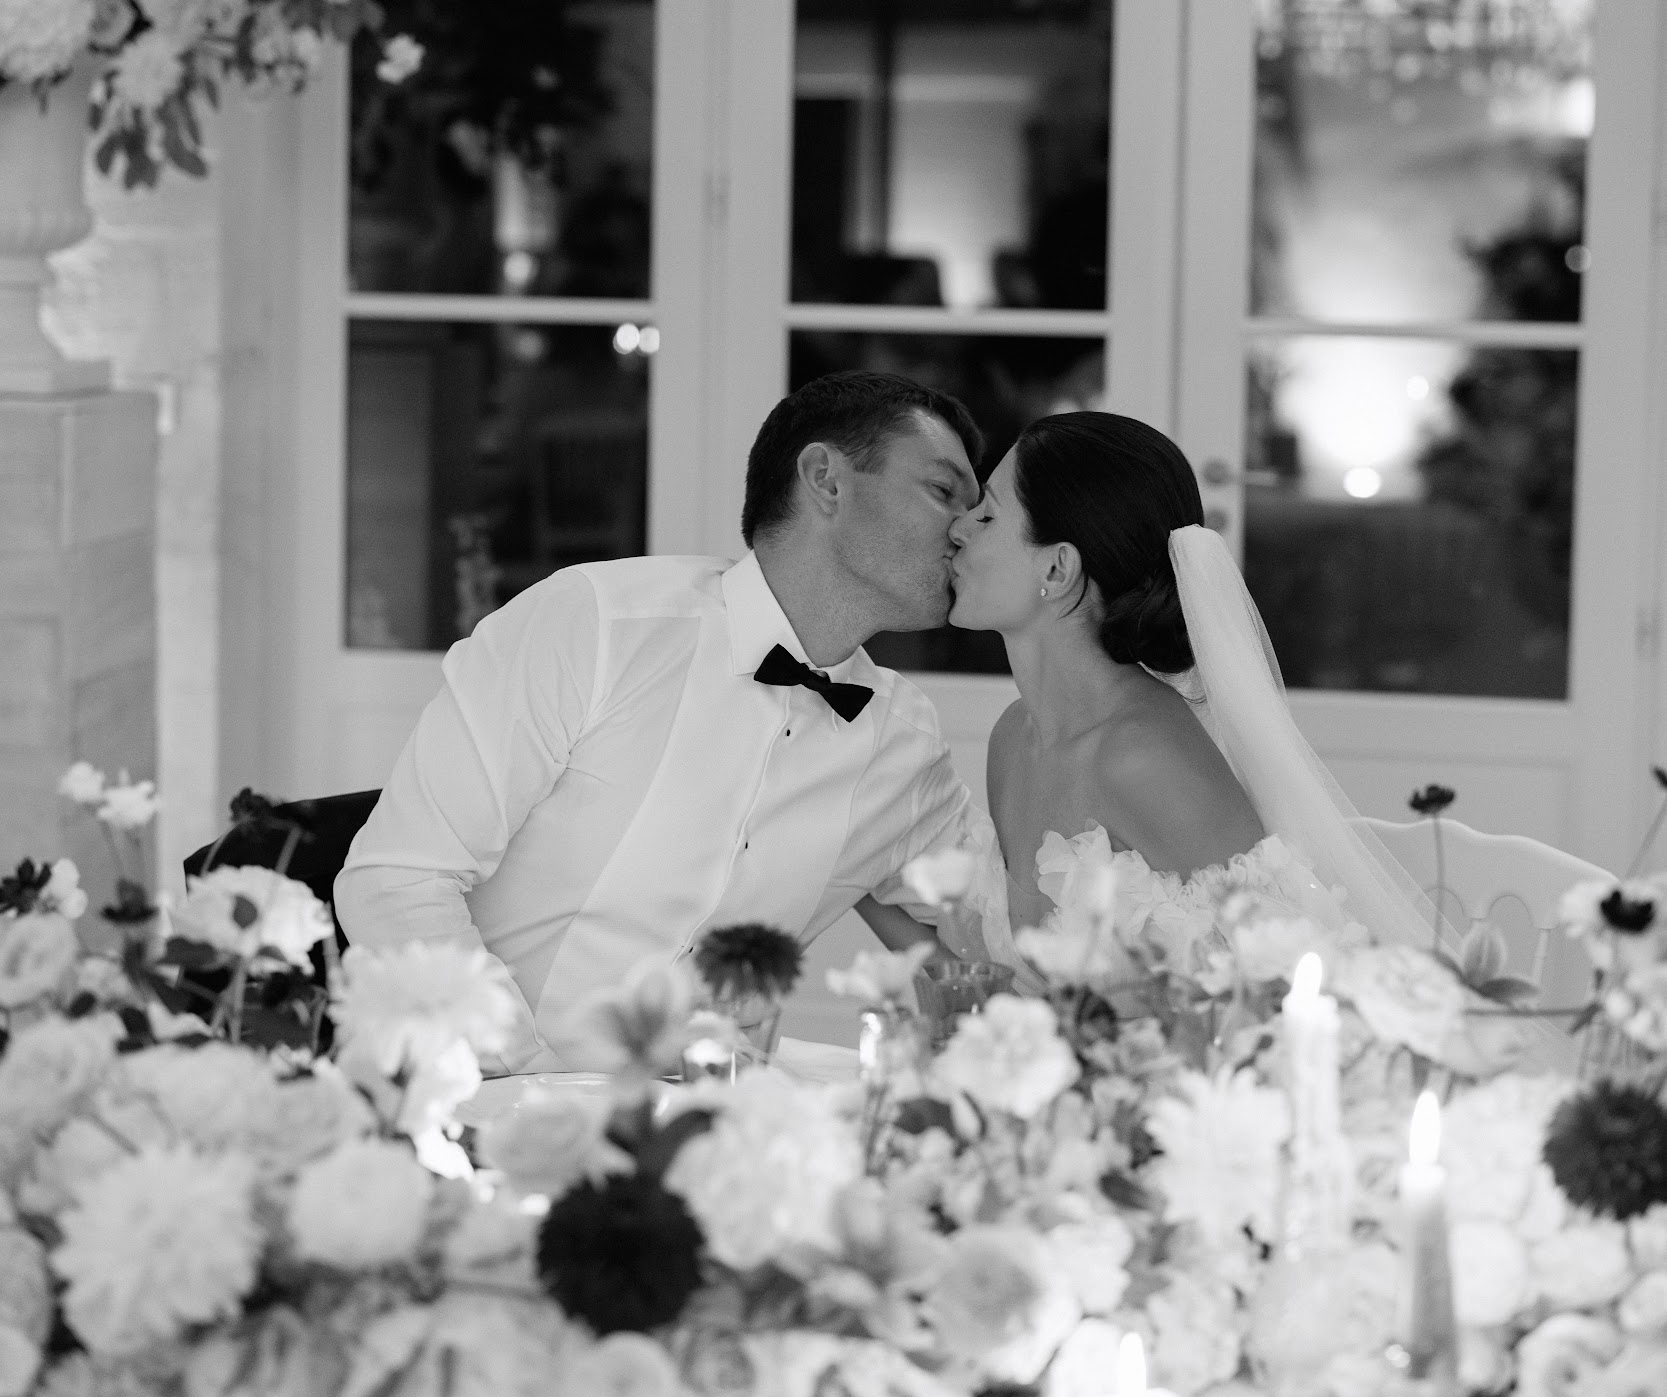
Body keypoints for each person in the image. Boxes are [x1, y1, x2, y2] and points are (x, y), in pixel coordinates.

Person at [335, 372, 981, 1071]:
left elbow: (988, 951)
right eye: (944, 494)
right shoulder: (596, 623)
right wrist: (531, 1084)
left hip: (704, 1143)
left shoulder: (901, 745)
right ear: (826, 479)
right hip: (466, 1101)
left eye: (980, 514)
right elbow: (397, 881)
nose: (965, 532)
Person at [944, 411, 1447, 967]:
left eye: (987, 515)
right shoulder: (1013, 739)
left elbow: (1273, 979)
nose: (958, 528)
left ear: (1059, 569)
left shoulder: (1141, 755)